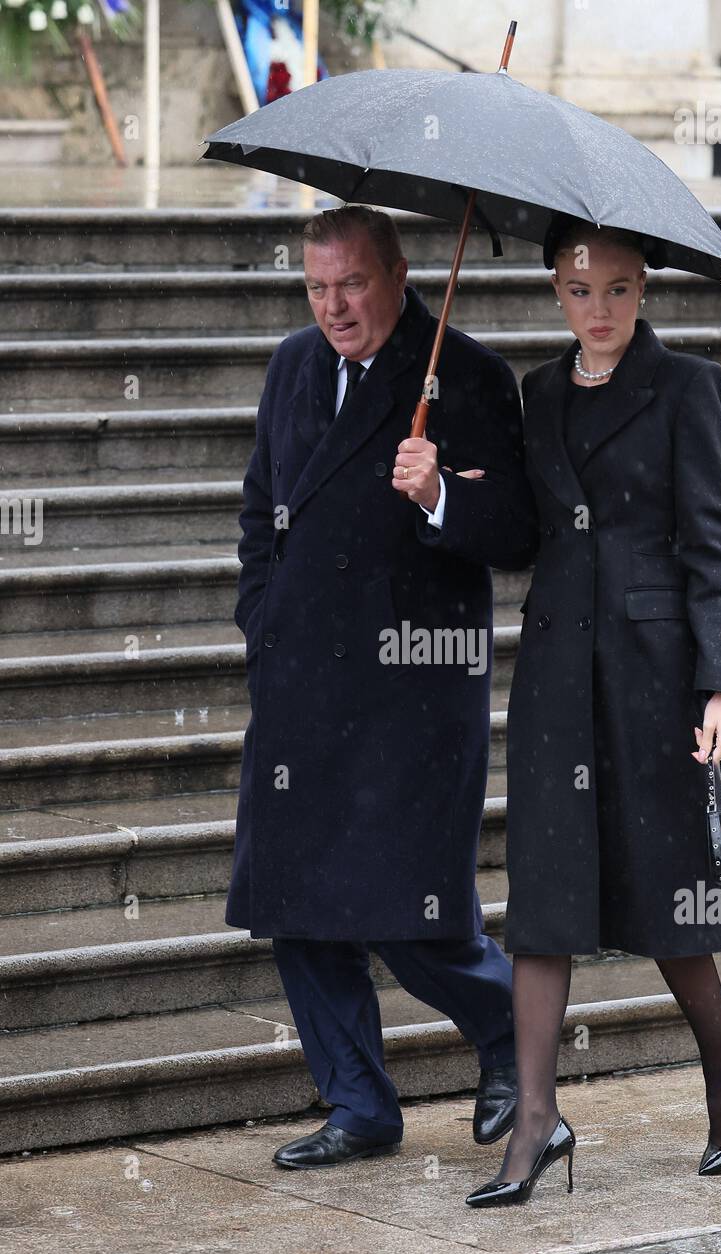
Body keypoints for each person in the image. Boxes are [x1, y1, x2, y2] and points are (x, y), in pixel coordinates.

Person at [226, 204, 538, 1169]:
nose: (335, 308)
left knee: (409, 911)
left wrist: (440, 491)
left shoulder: (470, 375)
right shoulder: (291, 365)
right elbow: (258, 506)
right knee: (295, 904)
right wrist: (261, 616)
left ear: (400, 276)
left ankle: (509, 1042)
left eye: (352, 284)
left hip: (414, 688)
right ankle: (359, 1102)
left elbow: (520, 531)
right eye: (317, 288)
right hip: (301, 685)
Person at [467, 213, 721, 1209]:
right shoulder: (536, 392)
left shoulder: (687, 389)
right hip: (556, 676)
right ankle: (537, 1120)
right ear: (554, 289)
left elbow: (710, 546)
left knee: (666, 896)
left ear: (643, 289)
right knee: (542, 901)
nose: (597, 309)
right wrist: (438, 494)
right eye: (578, 289)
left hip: (652, 676)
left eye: (617, 289)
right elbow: (520, 532)